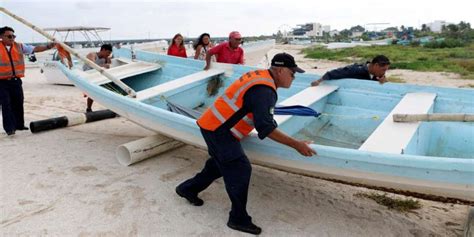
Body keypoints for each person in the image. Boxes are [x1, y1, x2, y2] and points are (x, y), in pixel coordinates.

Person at [176, 53, 316, 235]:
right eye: (292, 72)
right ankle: (238, 218)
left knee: (220, 164)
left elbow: (257, 115)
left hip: (212, 125)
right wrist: (297, 144)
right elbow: (265, 127)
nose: (294, 76)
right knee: (240, 168)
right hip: (219, 130)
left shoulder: (261, 78)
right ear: (280, 70)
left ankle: (187, 189)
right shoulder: (264, 90)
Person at [0, 26, 55, 136]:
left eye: (13, 36)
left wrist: (49, 46)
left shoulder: (19, 46)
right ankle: (10, 129)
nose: (12, 38)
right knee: (6, 105)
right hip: (2, 82)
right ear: (1, 37)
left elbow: (35, 49)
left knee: (19, 102)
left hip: (16, 80)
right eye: (9, 36)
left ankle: (19, 125)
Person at [310, 55, 391, 86]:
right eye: (383, 70)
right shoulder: (355, 70)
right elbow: (334, 73)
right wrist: (318, 81)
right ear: (376, 65)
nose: (384, 72)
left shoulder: (378, 73)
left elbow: (383, 79)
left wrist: (384, 80)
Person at [82, 44, 113, 112]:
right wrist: (104, 65)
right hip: (87, 76)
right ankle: (89, 108)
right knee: (91, 94)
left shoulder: (105, 58)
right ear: (103, 50)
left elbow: (110, 66)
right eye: (108, 52)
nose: (108, 54)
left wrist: (108, 60)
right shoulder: (92, 55)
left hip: (97, 76)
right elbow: (92, 65)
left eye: (110, 53)